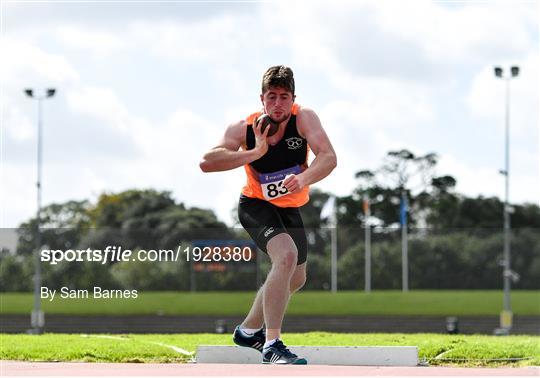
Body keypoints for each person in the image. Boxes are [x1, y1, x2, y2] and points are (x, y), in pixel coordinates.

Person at [200, 65, 337, 364]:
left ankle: (248, 330)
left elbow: (328, 157)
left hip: (289, 206)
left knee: (296, 277)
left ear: (293, 98)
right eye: (271, 97)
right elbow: (207, 161)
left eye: (284, 97)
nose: (277, 104)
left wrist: (304, 178)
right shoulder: (244, 128)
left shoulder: (304, 119)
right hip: (256, 205)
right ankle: (272, 343)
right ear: (261, 99)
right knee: (285, 257)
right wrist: (253, 153)